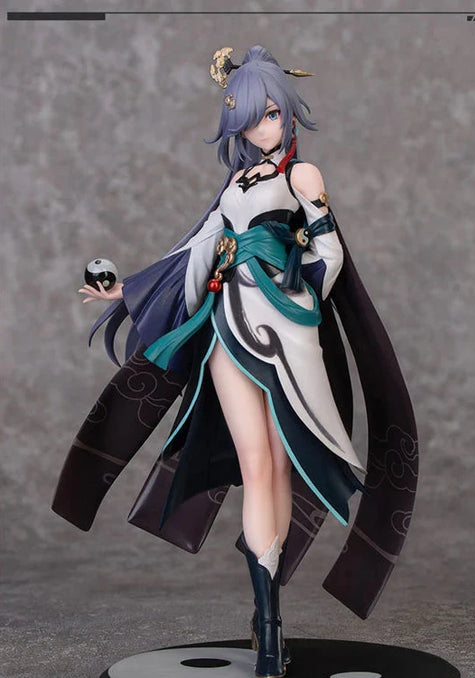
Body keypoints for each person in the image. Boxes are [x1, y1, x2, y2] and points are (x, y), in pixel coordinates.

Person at [53, 46, 418, 678]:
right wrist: (127, 292)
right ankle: (268, 623)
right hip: (229, 327)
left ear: (287, 113)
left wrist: (293, 286)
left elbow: (329, 256)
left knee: (280, 462)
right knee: (255, 462)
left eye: (270, 114)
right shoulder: (235, 186)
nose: (261, 128)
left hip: (286, 331)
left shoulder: (301, 178)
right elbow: (195, 254)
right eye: (249, 119)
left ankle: (267, 613)